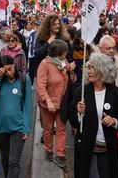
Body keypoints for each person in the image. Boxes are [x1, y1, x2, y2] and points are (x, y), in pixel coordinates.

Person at [70, 53, 118, 178]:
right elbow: (73, 120)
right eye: (88, 68)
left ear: (102, 70)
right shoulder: (82, 92)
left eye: (92, 68)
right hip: (87, 148)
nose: (88, 71)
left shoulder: (116, 93)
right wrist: (79, 113)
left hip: (108, 148)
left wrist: (114, 121)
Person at [0, 56, 32, 178]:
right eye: (5, 71)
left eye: (10, 69)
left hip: (18, 127)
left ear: (14, 65)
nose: (9, 73)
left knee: (14, 162)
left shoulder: (24, 79)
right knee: (5, 160)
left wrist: (26, 127)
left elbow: (27, 105)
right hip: (0, 128)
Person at [36, 39, 73, 168]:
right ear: (60, 52)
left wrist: (72, 71)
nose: (68, 52)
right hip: (48, 104)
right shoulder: (45, 64)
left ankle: (60, 154)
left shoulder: (65, 63)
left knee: (61, 129)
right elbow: (40, 85)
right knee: (48, 129)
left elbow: (72, 80)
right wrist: (48, 101)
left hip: (62, 103)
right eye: (66, 50)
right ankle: (48, 149)